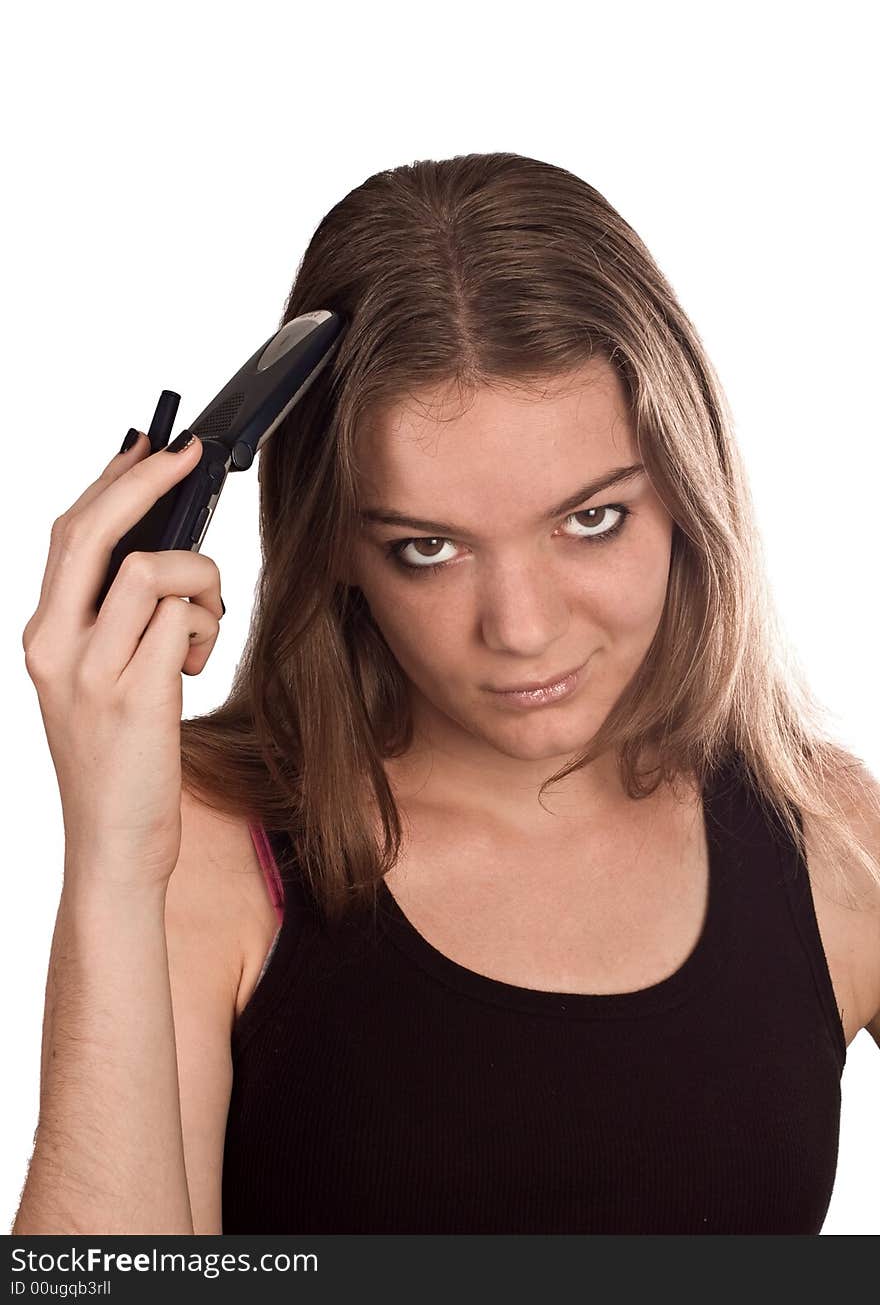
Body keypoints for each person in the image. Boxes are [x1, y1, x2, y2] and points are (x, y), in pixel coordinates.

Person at [12, 152, 880, 1237]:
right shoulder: (199, 853)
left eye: (591, 518)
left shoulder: (834, 842)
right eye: (429, 546)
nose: (520, 627)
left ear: (684, 493)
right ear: (334, 544)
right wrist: (110, 859)